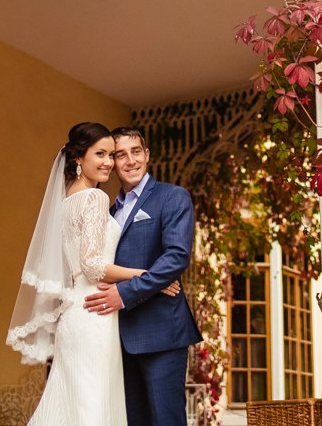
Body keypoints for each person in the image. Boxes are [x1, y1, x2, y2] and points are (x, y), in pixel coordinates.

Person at [7, 122, 178, 426]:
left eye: (111, 155)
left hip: (76, 312)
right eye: (100, 154)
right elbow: (93, 265)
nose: (109, 163)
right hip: (96, 311)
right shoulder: (95, 199)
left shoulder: (66, 201)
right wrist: (146, 275)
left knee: (70, 405)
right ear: (77, 158)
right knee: (92, 409)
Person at [84, 126, 202, 426]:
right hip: (117, 336)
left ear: (147, 155)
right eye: (120, 155)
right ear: (112, 162)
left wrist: (124, 293)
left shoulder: (172, 197)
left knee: (166, 420)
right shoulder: (107, 213)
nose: (130, 161)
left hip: (161, 331)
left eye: (136, 152)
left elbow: (176, 257)